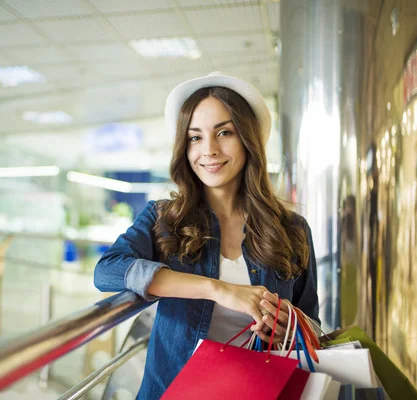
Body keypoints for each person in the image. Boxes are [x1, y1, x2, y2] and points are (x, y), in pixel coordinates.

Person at [93, 73, 320, 399]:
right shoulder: (164, 218)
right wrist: (218, 290)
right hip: (172, 391)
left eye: (224, 132)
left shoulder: (292, 229)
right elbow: (108, 270)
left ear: (247, 139)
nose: (209, 150)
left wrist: (289, 324)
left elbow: (311, 319)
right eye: (195, 138)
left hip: (257, 389)